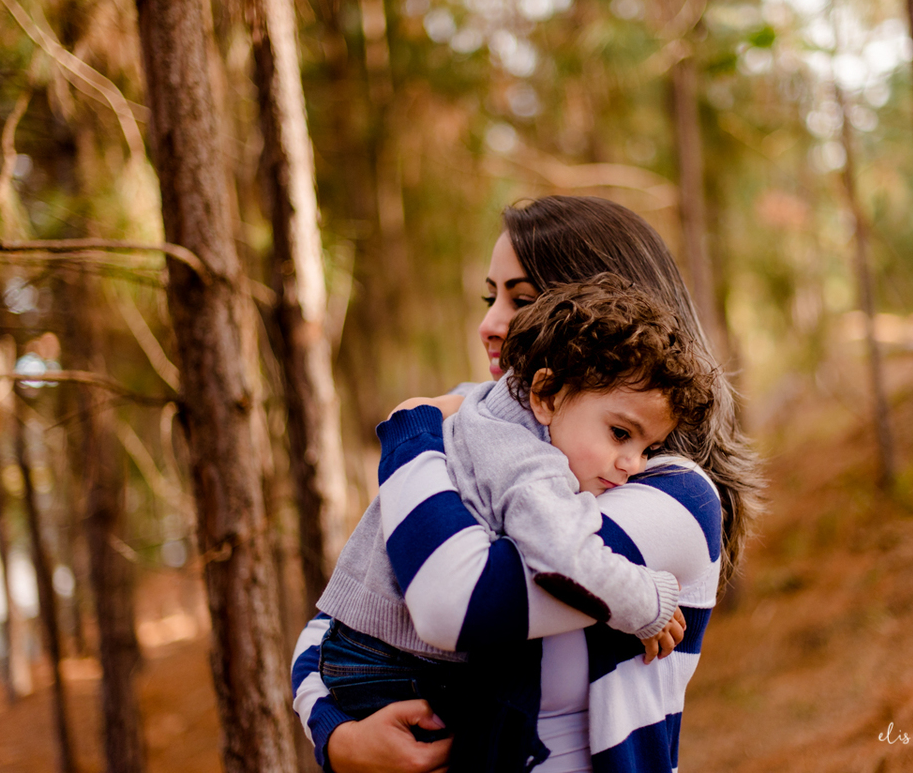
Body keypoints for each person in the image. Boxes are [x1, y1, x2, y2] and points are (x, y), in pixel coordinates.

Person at [291, 196, 759, 773]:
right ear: (545, 393)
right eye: (490, 296)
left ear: (601, 316)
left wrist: (411, 432)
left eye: (521, 298)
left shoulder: (671, 493)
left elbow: (452, 604)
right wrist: (338, 738)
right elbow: (343, 610)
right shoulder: (493, 431)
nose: (489, 324)